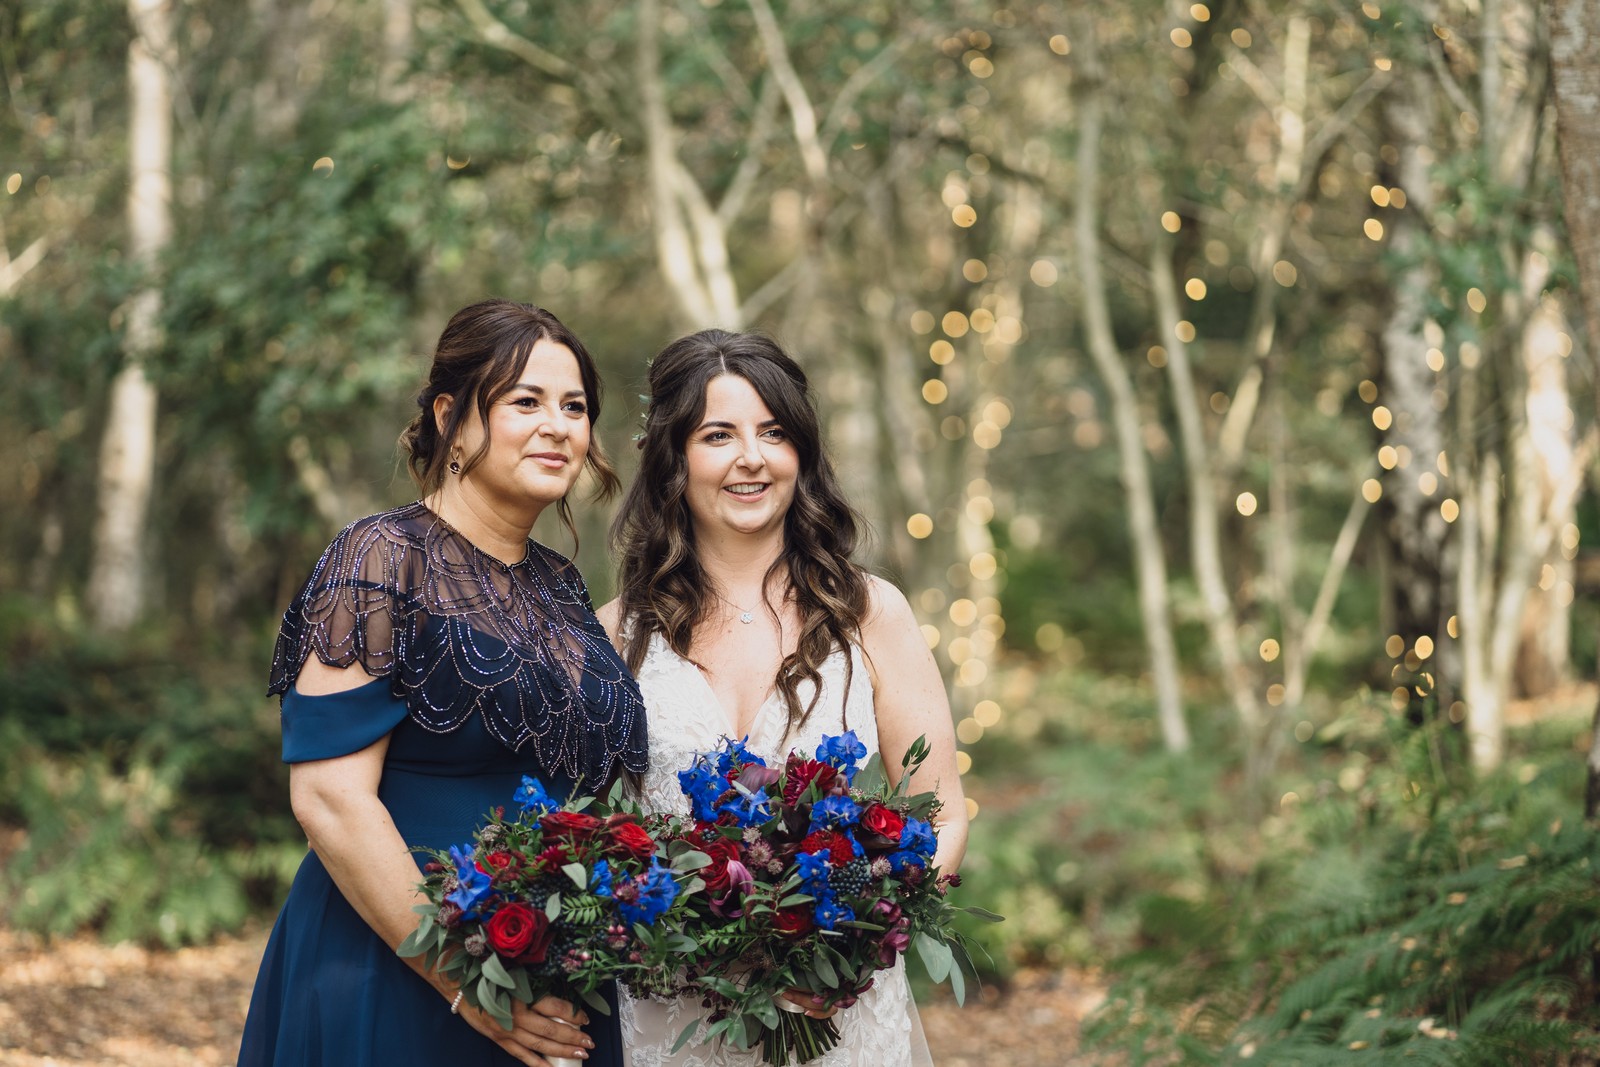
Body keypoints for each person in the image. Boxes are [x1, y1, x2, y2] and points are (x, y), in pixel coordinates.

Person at [239, 299, 648, 1067]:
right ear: (451, 419)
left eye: (575, 407)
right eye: (525, 401)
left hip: (555, 986)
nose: (558, 425)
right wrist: (468, 983)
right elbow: (328, 798)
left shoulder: (562, 587)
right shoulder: (381, 557)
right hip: (400, 971)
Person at [597, 329, 968, 1067]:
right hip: (675, 1015)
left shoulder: (870, 614)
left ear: (801, 451)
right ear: (673, 458)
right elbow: (596, 829)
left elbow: (943, 813)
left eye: (773, 432)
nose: (752, 458)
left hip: (837, 1012)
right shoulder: (613, 634)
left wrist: (854, 941)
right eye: (718, 435)